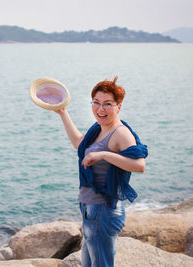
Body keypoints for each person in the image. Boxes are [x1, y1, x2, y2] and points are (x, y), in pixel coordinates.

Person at [54, 76, 148, 267]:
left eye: (107, 104)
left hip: (103, 210)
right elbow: (79, 143)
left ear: (118, 106)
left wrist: (104, 155)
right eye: (96, 103)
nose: (100, 109)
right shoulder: (99, 128)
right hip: (90, 208)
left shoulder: (120, 133)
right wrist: (63, 113)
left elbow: (139, 165)